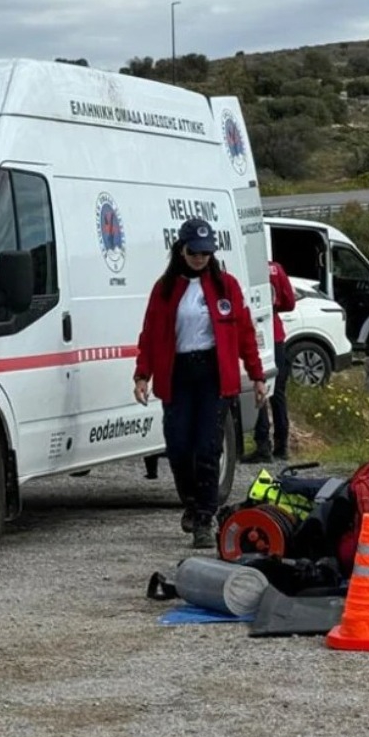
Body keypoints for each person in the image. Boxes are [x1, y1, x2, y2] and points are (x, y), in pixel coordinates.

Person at [133, 218, 267, 548]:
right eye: (194, 251)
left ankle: (205, 517)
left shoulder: (227, 286)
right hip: (177, 373)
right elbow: (150, 334)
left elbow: (245, 334)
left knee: (208, 447)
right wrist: (141, 374)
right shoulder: (164, 289)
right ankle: (191, 504)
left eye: (206, 252)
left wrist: (258, 375)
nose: (200, 258)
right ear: (181, 249)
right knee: (179, 446)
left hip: (213, 374)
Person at [242, 259, 296, 463]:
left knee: (259, 387)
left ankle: (263, 444)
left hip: (253, 335)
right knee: (278, 392)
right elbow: (289, 302)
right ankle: (282, 446)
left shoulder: (245, 265)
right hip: (274, 334)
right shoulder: (276, 268)